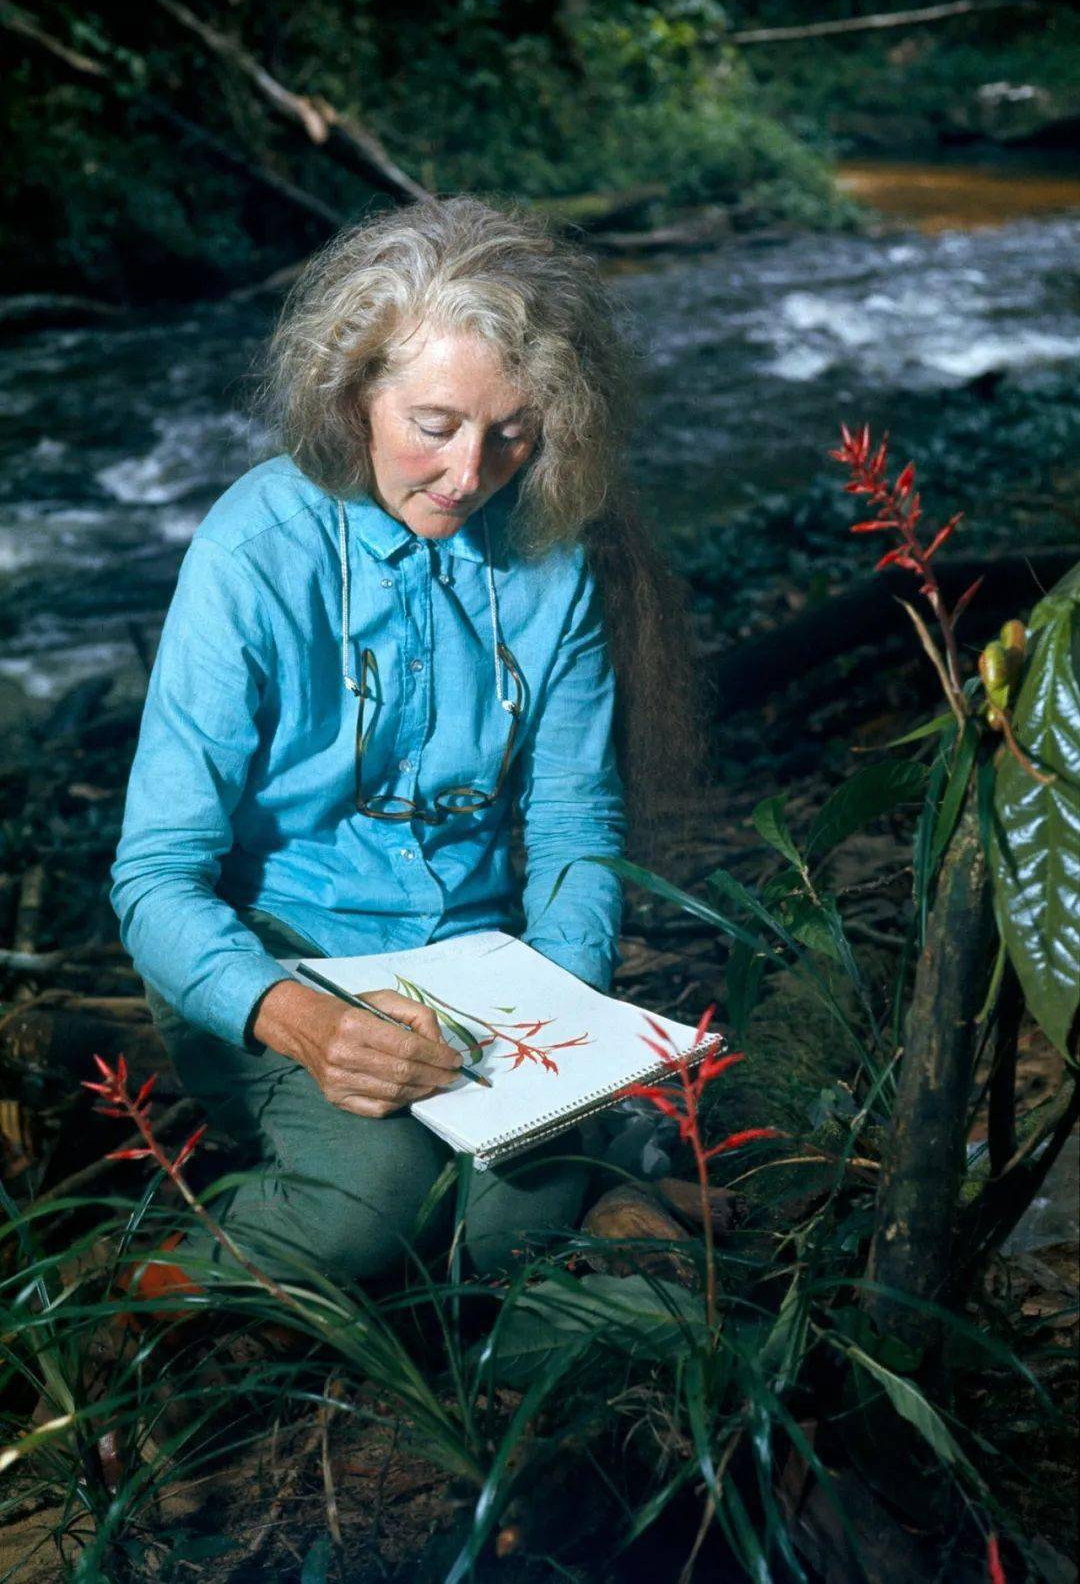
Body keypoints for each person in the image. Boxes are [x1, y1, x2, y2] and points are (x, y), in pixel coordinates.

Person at [111, 196, 698, 1288]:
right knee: (371, 1209)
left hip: (481, 969)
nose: (470, 473)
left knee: (506, 1231)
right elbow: (155, 878)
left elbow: (574, 819)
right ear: (351, 396)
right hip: (277, 950)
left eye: (512, 431)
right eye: (434, 423)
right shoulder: (251, 553)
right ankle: (149, 1286)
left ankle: (591, 1180)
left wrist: (555, 1024)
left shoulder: (554, 551)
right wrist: (296, 1021)